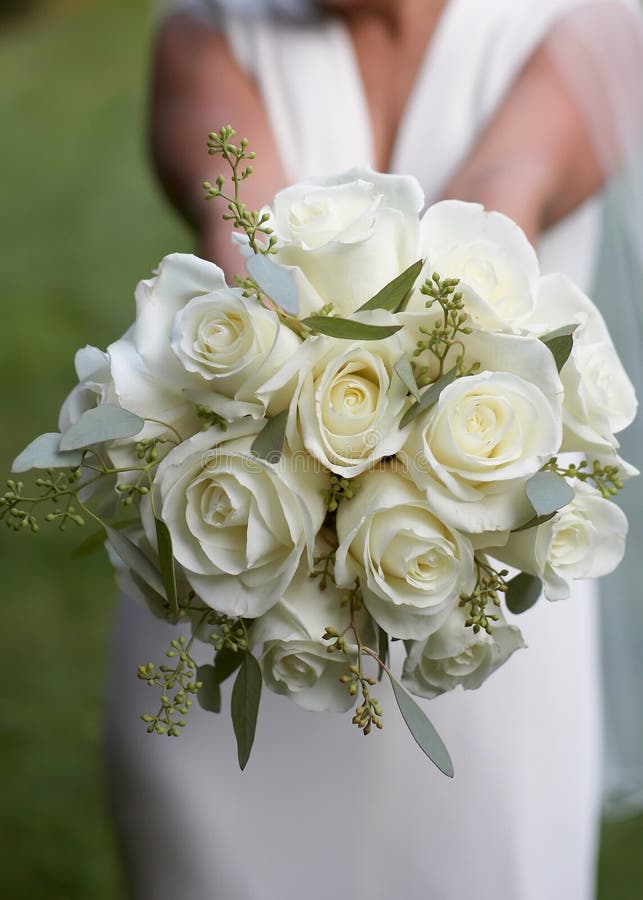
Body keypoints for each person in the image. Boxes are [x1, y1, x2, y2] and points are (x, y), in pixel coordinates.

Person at [104, 1, 643, 898]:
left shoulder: (596, 22)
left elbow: (496, 206)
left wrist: (418, 459)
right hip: (242, 583)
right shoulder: (206, 29)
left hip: (472, 615)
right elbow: (247, 255)